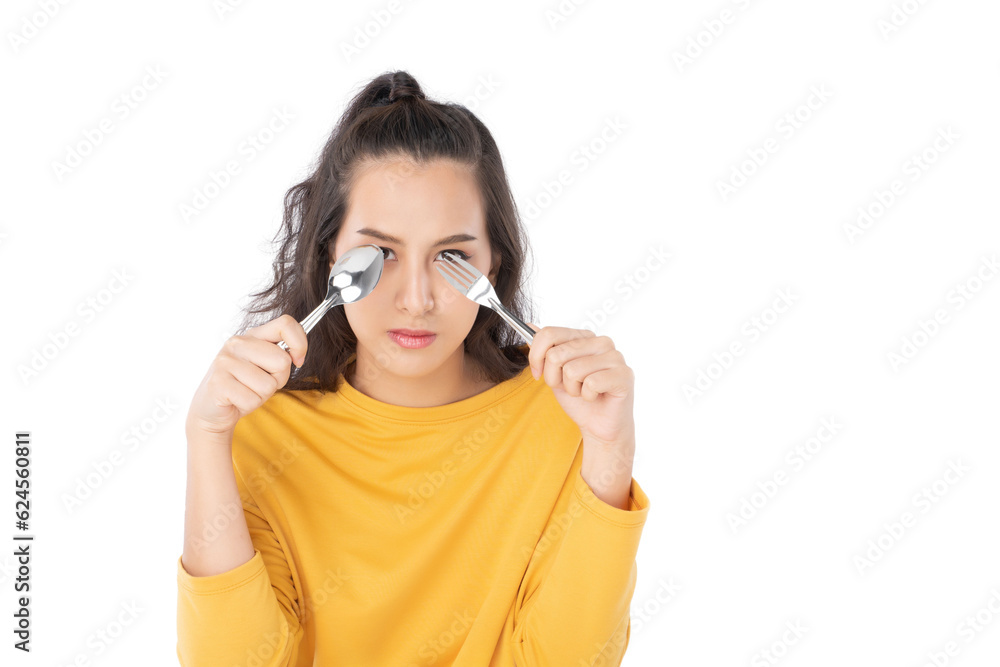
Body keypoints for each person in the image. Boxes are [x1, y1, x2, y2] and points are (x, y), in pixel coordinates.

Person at [176, 70, 650, 666]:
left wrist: (609, 452)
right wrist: (207, 436)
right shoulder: (264, 431)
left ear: (494, 267)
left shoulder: (563, 418)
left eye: (452, 256)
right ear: (330, 258)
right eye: (380, 255)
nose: (417, 299)